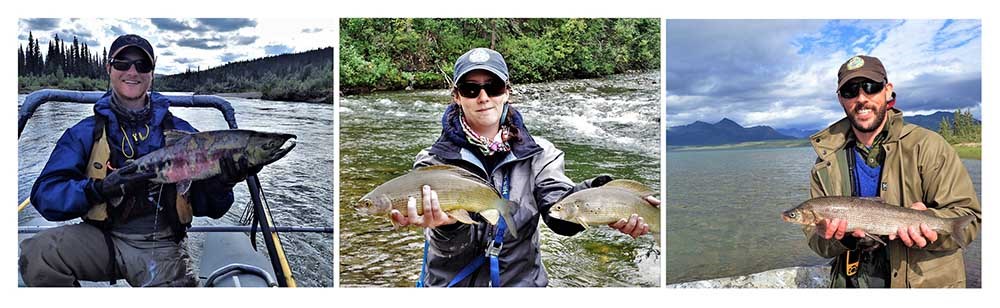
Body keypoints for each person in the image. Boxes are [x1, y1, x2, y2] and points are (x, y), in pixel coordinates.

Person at [390, 47, 658, 287]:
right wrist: (448, 227)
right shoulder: (431, 161)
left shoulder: (541, 154)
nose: (483, 97)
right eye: (471, 89)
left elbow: (558, 212)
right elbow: (445, 244)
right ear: (457, 97)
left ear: (507, 92)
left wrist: (603, 196)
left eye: (492, 86)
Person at [19, 34, 254, 287]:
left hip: (163, 245)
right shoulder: (84, 133)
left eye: (142, 65)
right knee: (37, 254)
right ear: (109, 68)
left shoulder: (183, 134)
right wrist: (99, 189)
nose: (132, 71)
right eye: (122, 63)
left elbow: (212, 209)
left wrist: (222, 184)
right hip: (102, 238)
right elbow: (45, 196)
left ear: (152, 72)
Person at [804, 55, 981, 288]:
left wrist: (933, 225)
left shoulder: (928, 146)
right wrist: (841, 238)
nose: (861, 98)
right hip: (852, 281)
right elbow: (818, 244)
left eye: (871, 87)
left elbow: (971, 219)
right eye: (850, 91)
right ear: (840, 99)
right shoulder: (825, 162)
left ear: (887, 90)